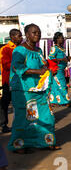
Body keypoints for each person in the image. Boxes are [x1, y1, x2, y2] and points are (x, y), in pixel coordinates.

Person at [8, 24, 60, 153]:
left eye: (39, 32)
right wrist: (38, 71)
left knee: (46, 116)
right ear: (26, 34)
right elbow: (17, 67)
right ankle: (19, 145)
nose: (37, 35)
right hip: (23, 90)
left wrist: (48, 71)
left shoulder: (39, 51)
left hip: (39, 89)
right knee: (23, 118)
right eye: (34, 32)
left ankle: (46, 141)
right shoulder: (20, 50)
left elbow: (43, 65)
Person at [0, 29, 23, 133]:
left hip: (21, 81)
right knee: (5, 103)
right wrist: (21, 68)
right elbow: (5, 65)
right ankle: (3, 125)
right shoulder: (5, 49)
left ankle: (20, 124)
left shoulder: (22, 48)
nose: (21, 38)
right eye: (19, 36)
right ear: (12, 36)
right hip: (8, 81)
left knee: (20, 103)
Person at [48, 32, 71, 108]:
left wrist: (68, 58)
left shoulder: (61, 49)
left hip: (61, 70)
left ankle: (54, 101)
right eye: (61, 38)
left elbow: (63, 58)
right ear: (57, 39)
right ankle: (67, 101)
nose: (63, 39)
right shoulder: (54, 48)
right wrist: (62, 59)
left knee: (55, 86)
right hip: (57, 70)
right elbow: (50, 58)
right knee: (63, 85)